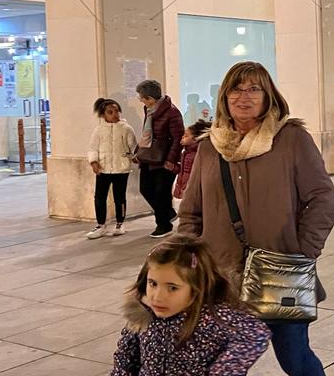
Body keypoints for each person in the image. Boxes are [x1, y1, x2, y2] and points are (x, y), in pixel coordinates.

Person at [177, 61, 334, 376]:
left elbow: (323, 198)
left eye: (254, 88)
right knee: (221, 363)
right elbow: (191, 211)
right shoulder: (211, 147)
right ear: (224, 97)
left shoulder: (290, 139)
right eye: (236, 89)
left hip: (279, 270)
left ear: (269, 96)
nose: (244, 96)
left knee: (295, 359)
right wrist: (188, 260)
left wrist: (303, 250)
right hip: (221, 277)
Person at [112, 235, 271, 375]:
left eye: (172, 288)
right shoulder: (142, 313)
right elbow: (126, 356)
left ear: (197, 288)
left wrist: (223, 370)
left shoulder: (212, 317)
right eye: (153, 283)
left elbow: (256, 333)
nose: (158, 297)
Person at [135, 80, 185, 239]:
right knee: (145, 189)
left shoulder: (172, 112)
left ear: (150, 98)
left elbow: (178, 138)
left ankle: (164, 225)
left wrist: (171, 159)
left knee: (161, 193)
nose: (141, 100)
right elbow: (146, 134)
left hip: (164, 159)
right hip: (148, 157)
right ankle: (168, 213)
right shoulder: (148, 110)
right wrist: (138, 152)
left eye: (142, 97)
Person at [87, 98, 138, 239]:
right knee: (99, 197)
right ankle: (101, 225)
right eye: (110, 112)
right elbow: (92, 148)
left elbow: (133, 146)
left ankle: (120, 223)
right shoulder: (98, 130)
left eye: (116, 111)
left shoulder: (126, 128)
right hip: (103, 169)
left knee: (119, 197)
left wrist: (135, 157)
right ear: (103, 115)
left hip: (121, 169)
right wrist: (94, 162)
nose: (115, 114)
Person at [173, 120, 211, 201]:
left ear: (195, 139)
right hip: (184, 187)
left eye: (186, 136)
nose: (182, 137)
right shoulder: (185, 153)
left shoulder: (198, 155)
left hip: (191, 190)